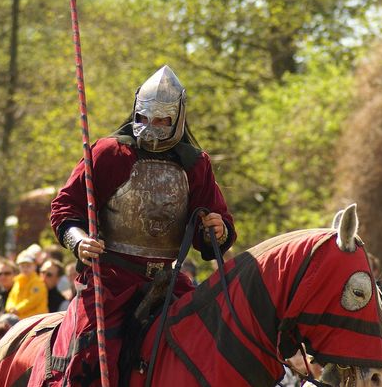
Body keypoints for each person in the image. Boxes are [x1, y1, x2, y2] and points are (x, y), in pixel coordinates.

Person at [42, 65, 236, 386]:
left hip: (168, 282)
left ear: (177, 118)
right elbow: (66, 206)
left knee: (210, 342)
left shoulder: (195, 164)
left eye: (162, 120)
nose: (151, 127)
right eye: (145, 117)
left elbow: (214, 221)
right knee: (86, 355)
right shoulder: (109, 153)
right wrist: (79, 240)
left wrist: (217, 228)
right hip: (110, 283)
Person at [5, 248, 48, 319]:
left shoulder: (38, 282)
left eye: (28, 265)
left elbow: (33, 301)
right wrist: (10, 308)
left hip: (35, 320)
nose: (25, 268)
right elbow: (11, 297)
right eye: (22, 266)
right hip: (20, 319)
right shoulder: (17, 281)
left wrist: (17, 309)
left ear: (35, 266)